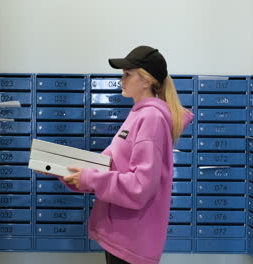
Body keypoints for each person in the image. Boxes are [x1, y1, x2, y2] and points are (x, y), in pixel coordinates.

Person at [61, 45, 194, 264]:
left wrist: (89, 178)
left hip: (132, 241)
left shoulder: (151, 118)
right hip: (120, 236)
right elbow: (104, 164)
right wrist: (60, 168)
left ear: (146, 80)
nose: (121, 80)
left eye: (127, 74)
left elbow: (140, 186)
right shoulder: (137, 116)